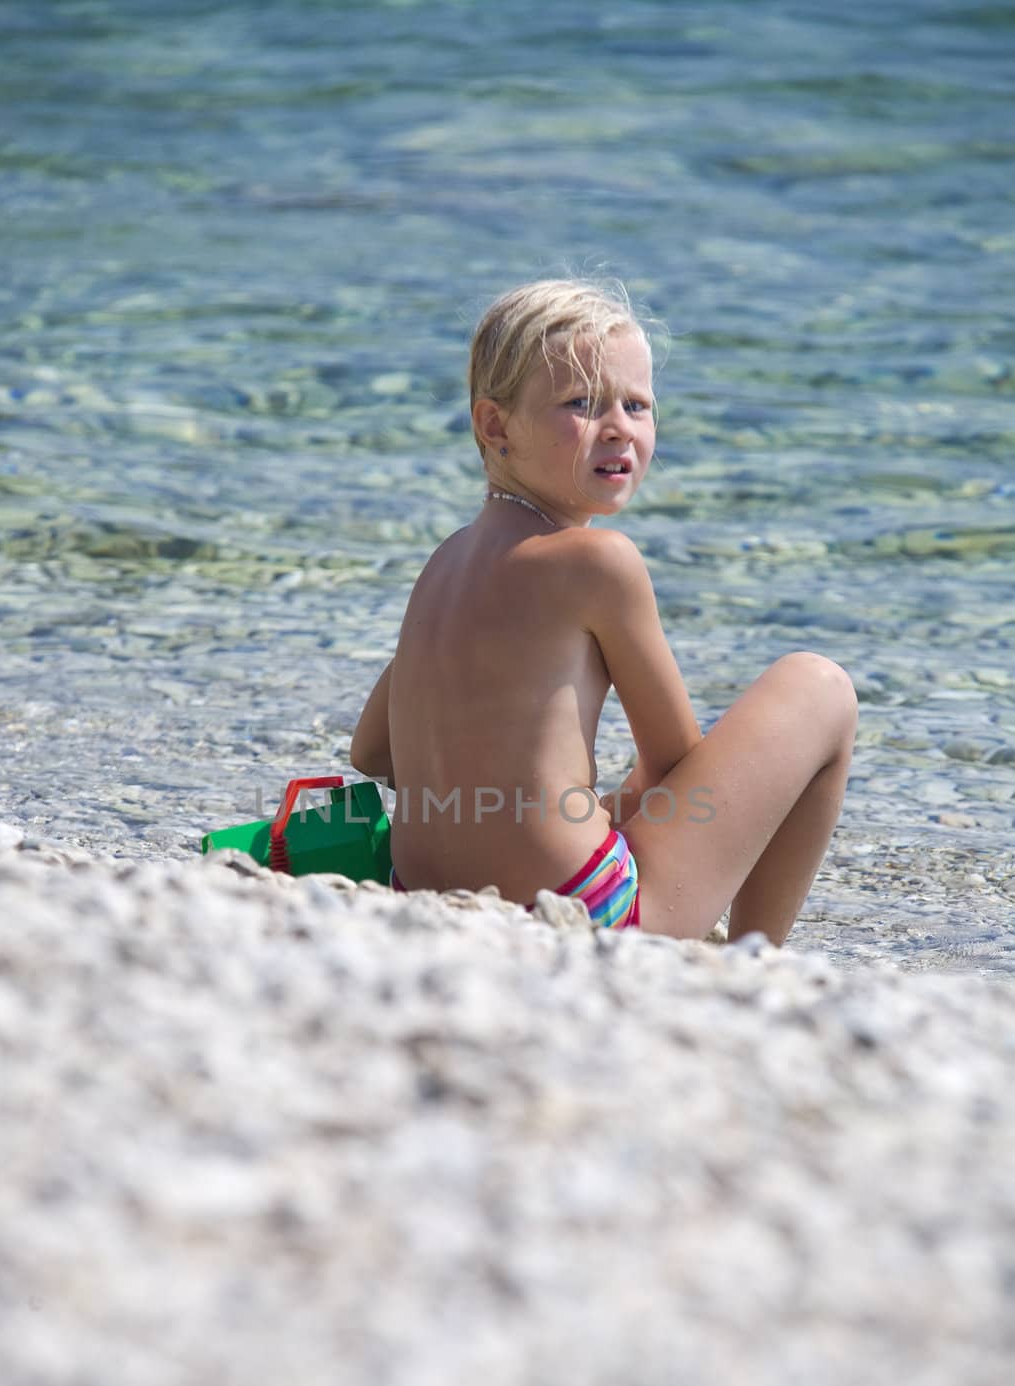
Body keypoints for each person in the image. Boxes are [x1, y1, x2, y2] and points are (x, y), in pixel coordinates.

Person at [350, 278, 857, 943]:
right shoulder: (598, 562)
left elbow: (371, 752)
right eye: (580, 403)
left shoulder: (444, 563)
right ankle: (753, 956)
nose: (619, 426)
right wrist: (593, 813)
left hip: (422, 895)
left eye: (637, 404)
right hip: (576, 907)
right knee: (818, 686)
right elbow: (673, 765)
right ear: (494, 425)